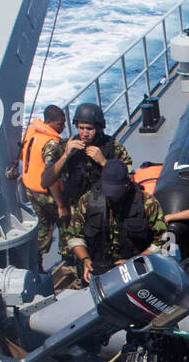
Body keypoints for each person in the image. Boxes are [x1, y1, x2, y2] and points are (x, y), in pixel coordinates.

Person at [39, 102, 134, 289]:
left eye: (89, 129)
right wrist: (66, 156)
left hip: (107, 213)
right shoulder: (64, 147)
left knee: (109, 254)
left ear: (98, 128)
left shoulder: (113, 147)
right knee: (76, 258)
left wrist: (104, 161)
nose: (84, 133)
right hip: (76, 216)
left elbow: (130, 181)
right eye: (81, 128)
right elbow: (45, 180)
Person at [77, 160, 169, 278]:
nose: (113, 196)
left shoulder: (147, 202)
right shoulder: (86, 201)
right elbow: (74, 236)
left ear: (127, 183)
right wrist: (85, 259)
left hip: (138, 268)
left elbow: (164, 239)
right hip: (100, 267)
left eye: (116, 191)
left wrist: (137, 260)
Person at [16, 105, 70, 263]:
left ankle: (34, 261)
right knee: (67, 224)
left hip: (31, 191)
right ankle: (69, 260)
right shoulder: (51, 144)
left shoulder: (31, 131)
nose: (63, 127)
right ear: (48, 122)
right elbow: (51, 174)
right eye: (60, 124)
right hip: (48, 195)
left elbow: (22, 155)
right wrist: (61, 206)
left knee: (44, 228)